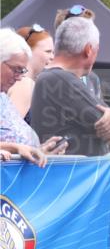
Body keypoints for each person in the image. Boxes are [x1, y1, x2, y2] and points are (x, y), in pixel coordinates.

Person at [30, 17, 110, 155]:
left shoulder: (56, 78)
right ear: (88, 50)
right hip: (72, 173)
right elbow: (108, 122)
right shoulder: (58, 79)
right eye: (96, 50)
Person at [0, 29, 59, 166]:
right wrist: (15, 148)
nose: (20, 76)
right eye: (16, 69)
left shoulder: (3, 96)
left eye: (22, 70)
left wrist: (38, 151)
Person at [7, 24, 54, 120]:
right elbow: (11, 128)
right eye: (48, 51)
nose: (52, 57)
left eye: (53, 52)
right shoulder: (24, 84)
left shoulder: (20, 82)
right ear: (28, 51)